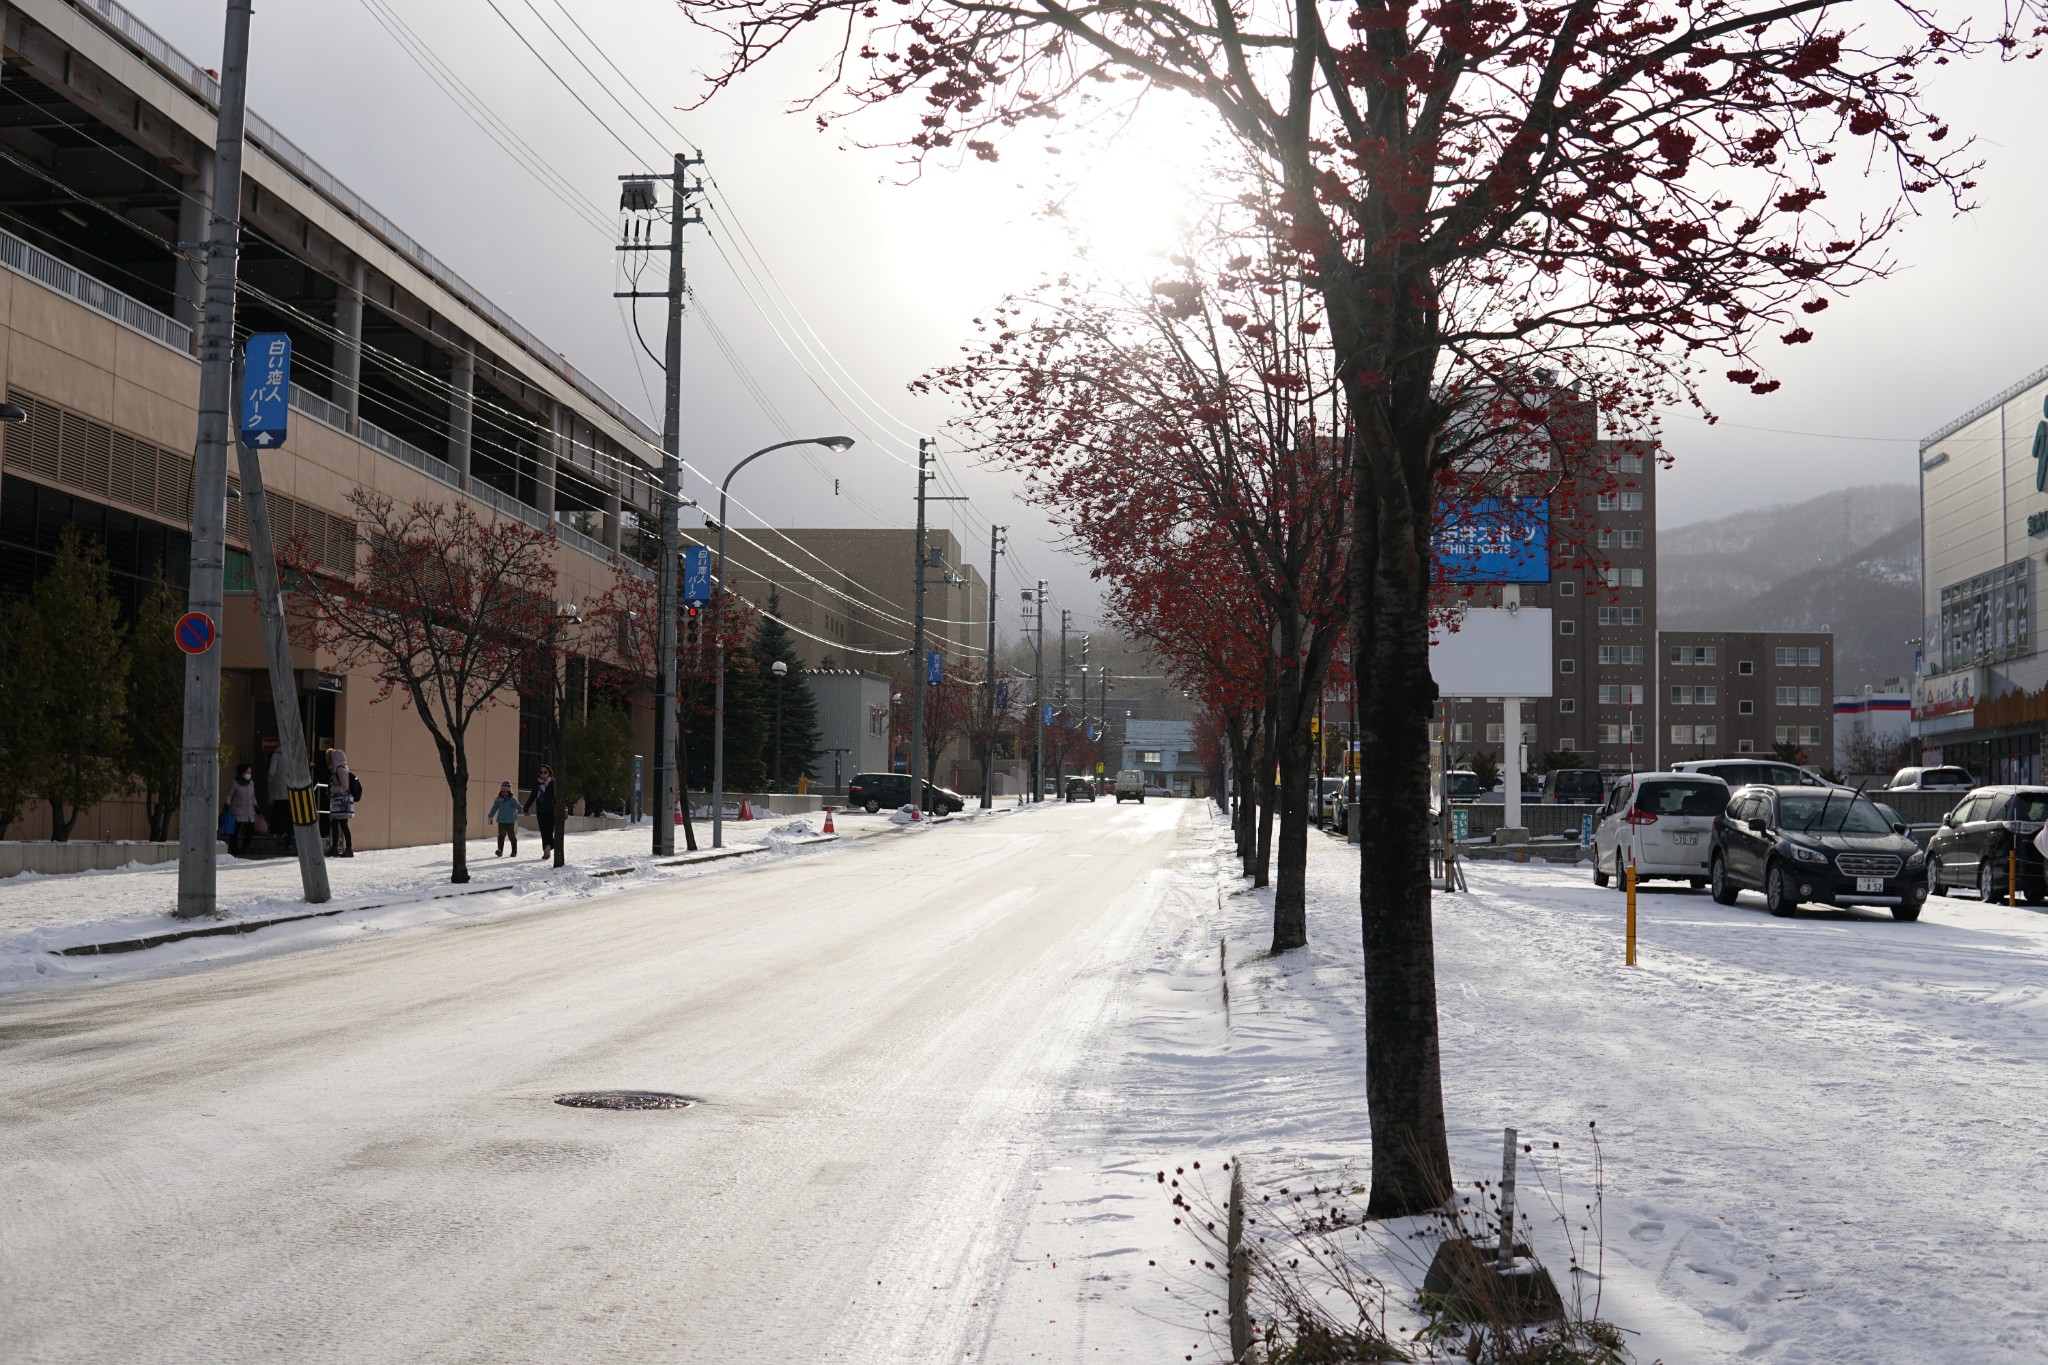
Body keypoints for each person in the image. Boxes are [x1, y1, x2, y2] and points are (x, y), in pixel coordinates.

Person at [524, 765, 557, 858]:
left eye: (545, 772)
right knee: (543, 832)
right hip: (540, 812)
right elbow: (532, 797)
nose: (543, 774)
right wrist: (526, 808)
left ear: (549, 773)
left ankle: (548, 847)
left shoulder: (553, 784)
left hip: (551, 811)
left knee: (549, 831)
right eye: (541, 772)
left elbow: (557, 797)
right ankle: (547, 849)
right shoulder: (537, 785)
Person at [226, 763, 259, 858]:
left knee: (250, 830)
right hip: (237, 810)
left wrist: (257, 807)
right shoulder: (235, 782)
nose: (249, 774)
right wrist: (227, 805)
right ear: (241, 772)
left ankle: (245, 847)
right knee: (235, 832)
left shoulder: (251, 783)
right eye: (247, 772)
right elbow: (229, 795)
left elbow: (253, 796)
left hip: (249, 811)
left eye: (250, 772)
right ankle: (234, 849)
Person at [327, 748, 354, 858]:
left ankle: (347, 849)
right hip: (338, 801)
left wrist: (332, 789)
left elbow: (345, 786)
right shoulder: (338, 769)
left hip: (342, 801)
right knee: (337, 824)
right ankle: (338, 848)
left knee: (341, 824)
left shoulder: (340, 770)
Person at [488, 780, 522, 857]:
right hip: (501, 821)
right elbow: (494, 808)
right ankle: (500, 850)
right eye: (502, 791)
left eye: (505, 791)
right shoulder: (498, 799)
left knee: (511, 836)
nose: (503, 793)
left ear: (509, 792)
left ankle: (514, 851)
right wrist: (490, 816)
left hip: (510, 821)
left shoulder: (512, 799)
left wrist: (524, 809)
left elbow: (518, 806)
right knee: (501, 836)